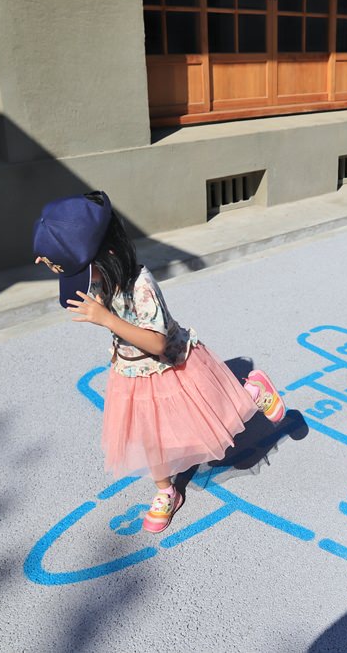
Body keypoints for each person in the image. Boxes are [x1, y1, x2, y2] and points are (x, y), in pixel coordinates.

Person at [33, 191, 286, 534]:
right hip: (131, 372)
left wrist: (105, 319)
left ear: (108, 255)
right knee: (150, 437)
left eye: (84, 272)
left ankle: (253, 392)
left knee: (211, 417)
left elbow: (156, 341)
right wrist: (50, 259)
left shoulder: (141, 285)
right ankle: (165, 491)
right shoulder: (102, 277)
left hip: (172, 363)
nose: (84, 283)